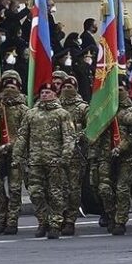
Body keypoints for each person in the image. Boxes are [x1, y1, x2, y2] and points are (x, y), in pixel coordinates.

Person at [14, 82, 76, 239]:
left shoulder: (62, 114)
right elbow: (22, 136)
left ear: (55, 94)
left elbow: (69, 136)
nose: (44, 95)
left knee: (56, 193)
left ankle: (55, 223)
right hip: (35, 160)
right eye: (42, 92)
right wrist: (17, 155)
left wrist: (65, 156)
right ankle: (43, 221)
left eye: (48, 92)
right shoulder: (31, 114)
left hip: (55, 161)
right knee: (36, 193)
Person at [89, 76, 132, 235]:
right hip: (105, 155)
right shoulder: (103, 110)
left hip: (126, 157)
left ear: (126, 90)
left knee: (122, 189)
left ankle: (120, 220)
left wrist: (120, 148)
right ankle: (111, 214)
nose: (117, 93)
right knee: (104, 188)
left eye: (120, 90)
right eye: (115, 90)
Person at [0, 73, 29, 235]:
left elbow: (26, 133)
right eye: (6, 87)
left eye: (13, 87)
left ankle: (12, 220)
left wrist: (12, 145)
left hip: (16, 154)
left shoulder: (24, 110)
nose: (9, 90)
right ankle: (1, 216)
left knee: (15, 189)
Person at [58, 76, 89, 235]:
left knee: (73, 189)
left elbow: (90, 128)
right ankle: (58, 218)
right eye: (64, 86)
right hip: (56, 154)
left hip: (75, 156)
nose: (67, 89)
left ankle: (70, 220)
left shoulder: (83, 108)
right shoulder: (54, 107)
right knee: (57, 188)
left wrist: (78, 136)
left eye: (71, 86)